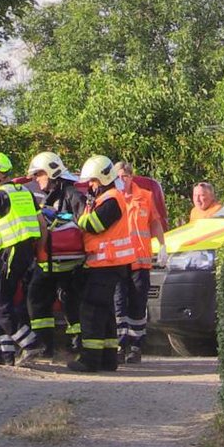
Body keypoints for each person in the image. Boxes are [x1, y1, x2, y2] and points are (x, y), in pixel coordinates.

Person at [0, 152, 48, 366]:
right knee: (3, 300)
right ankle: (5, 352)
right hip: (26, 253)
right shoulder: (25, 192)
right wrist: (41, 251)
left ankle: (30, 343)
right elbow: (42, 225)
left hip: (12, 251)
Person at [69, 155, 136, 373]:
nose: (90, 185)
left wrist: (76, 216)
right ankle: (108, 359)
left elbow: (93, 225)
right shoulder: (107, 198)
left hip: (107, 264)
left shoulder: (111, 200)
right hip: (108, 264)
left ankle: (89, 360)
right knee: (105, 311)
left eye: (93, 181)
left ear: (104, 178)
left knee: (91, 309)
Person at [25, 151, 86, 358]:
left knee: (68, 300)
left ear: (51, 173)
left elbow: (83, 225)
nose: (35, 179)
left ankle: (76, 343)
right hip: (49, 262)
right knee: (38, 298)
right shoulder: (49, 196)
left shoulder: (72, 194)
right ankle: (45, 346)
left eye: (38, 174)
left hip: (68, 264)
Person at [113, 161, 167, 364]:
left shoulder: (145, 196)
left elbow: (155, 222)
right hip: (118, 260)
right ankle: (120, 344)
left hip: (140, 261)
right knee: (118, 303)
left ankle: (135, 346)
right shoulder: (113, 198)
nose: (121, 180)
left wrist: (162, 246)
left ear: (131, 176)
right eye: (118, 177)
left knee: (138, 303)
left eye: (124, 176)